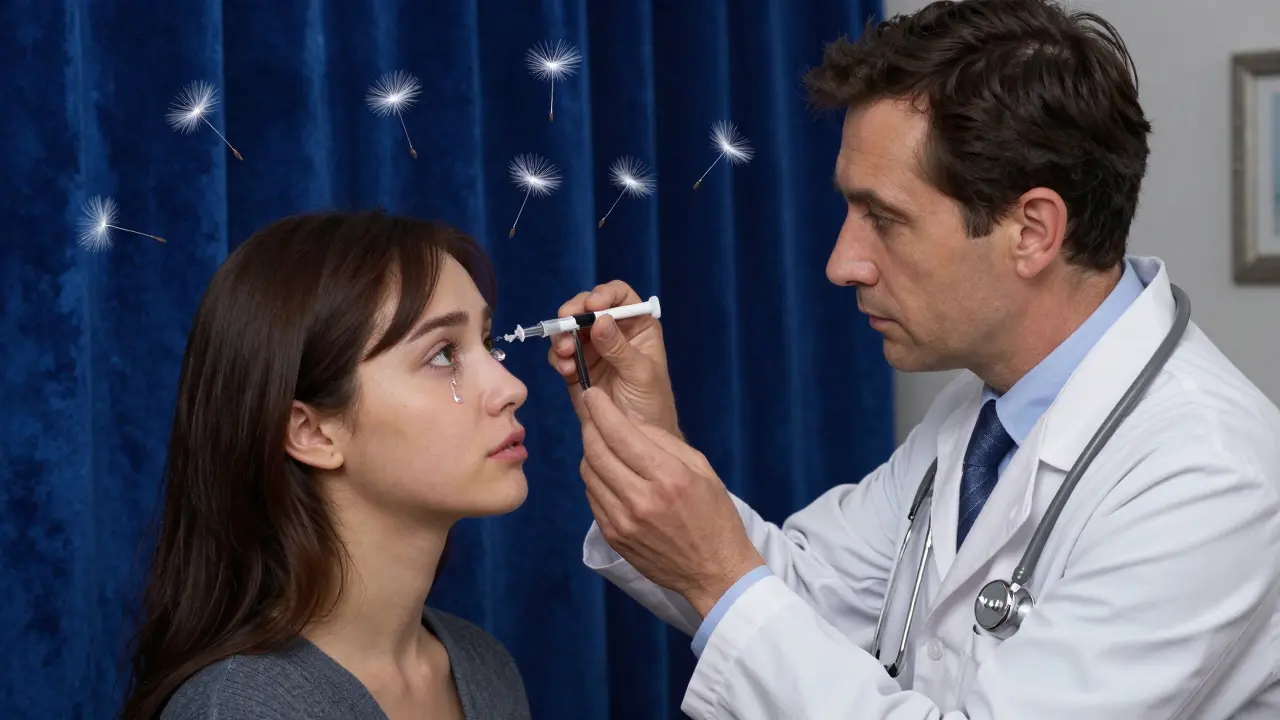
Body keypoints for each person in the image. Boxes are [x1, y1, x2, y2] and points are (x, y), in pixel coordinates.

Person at [547, 1, 1280, 717]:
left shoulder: (1205, 474)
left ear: (1032, 231)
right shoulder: (989, 413)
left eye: (885, 219)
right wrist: (649, 444)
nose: (841, 264)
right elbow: (802, 589)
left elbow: (738, 588)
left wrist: (716, 574)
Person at [120, 210, 533, 720]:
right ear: (311, 432)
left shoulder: (486, 669)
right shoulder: (242, 710)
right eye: (443, 355)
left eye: (488, 344)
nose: (511, 388)